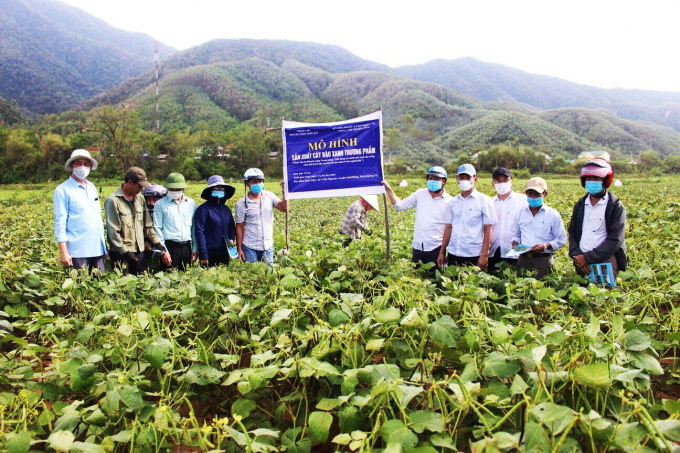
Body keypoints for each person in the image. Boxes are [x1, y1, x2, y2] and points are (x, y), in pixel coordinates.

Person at [568, 158, 627, 281]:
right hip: (581, 260)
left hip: (604, 259)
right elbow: (573, 232)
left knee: (603, 295)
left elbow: (615, 239)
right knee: (583, 295)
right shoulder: (580, 205)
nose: (591, 182)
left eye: (596, 179)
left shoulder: (614, 205)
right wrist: (577, 255)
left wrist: (588, 258)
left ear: (605, 180)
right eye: (588, 179)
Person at [383, 166, 453, 267]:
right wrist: (388, 189)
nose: (432, 181)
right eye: (430, 178)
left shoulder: (449, 202)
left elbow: (450, 228)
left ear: (443, 181)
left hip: (436, 248)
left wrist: (444, 252)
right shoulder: (420, 194)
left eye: (436, 179)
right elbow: (400, 206)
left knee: (434, 279)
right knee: (416, 279)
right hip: (418, 247)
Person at [53, 149, 107, 273]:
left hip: (97, 249)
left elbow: (97, 218)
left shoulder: (92, 187)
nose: (82, 167)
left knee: (99, 286)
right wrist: (64, 252)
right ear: (72, 166)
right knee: (81, 287)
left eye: (86, 163)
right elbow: (59, 222)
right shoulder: (62, 190)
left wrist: (103, 247)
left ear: (90, 166)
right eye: (78, 163)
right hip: (77, 251)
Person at [105, 167, 164, 275]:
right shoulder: (113, 201)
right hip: (121, 252)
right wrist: (125, 252)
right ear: (130, 182)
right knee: (124, 286)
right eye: (139, 186)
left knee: (141, 283)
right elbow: (113, 233)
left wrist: (157, 242)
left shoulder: (140, 198)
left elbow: (148, 225)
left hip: (139, 250)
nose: (141, 190)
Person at [438, 164, 497, 270]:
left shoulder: (484, 200)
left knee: (471, 284)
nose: (464, 180)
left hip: (473, 254)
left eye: (468, 177)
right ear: (457, 179)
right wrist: (442, 252)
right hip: (454, 252)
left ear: (475, 179)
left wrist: (484, 255)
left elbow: (488, 228)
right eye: (461, 177)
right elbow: (449, 227)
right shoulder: (453, 202)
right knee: (452, 283)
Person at [510, 177, 567, 279]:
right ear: (526, 194)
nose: (533, 197)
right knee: (522, 289)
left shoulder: (553, 215)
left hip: (543, 260)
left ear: (545, 194)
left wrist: (545, 246)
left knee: (543, 290)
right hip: (523, 258)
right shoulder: (520, 213)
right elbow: (515, 234)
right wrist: (515, 243)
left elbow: (561, 239)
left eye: (537, 194)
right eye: (530, 193)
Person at [235, 168, 288, 263]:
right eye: (254, 182)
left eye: (260, 181)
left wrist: (285, 191)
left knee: (269, 274)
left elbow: (284, 208)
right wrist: (239, 249)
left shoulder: (269, 196)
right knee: (252, 275)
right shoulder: (241, 203)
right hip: (249, 246)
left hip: (267, 246)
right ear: (248, 183)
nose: (258, 184)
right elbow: (239, 227)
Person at [153, 173, 198, 271]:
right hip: (170, 247)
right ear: (167, 189)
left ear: (183, 189)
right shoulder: (160, 204)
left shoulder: (191, 203)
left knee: (186, 279)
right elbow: (157, 228)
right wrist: (163, 251)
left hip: (186, 247)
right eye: (171, 189)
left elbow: (194, 227)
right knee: (169, 279)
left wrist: (194, 248)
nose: (174, 191)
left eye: (177, 189)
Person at [488, 167, 527, 271]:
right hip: (495, 251)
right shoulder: (489, 203)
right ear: (493, 183)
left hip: (518, 252)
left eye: (505, 180)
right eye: (498, 181)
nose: (502, 183)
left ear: (511, 181)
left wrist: (520, 250)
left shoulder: (523, 200)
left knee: (516, 283)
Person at [194, 175, 237, 267]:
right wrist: (203, 253)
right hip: (210, 253)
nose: (219, 190)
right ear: (210, 191)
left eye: (221, 189)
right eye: (216, 188)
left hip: (225, 252)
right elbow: (199, 232)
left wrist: (232, 239)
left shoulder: (226, 209)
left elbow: (231, 227)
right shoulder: (203, 209)